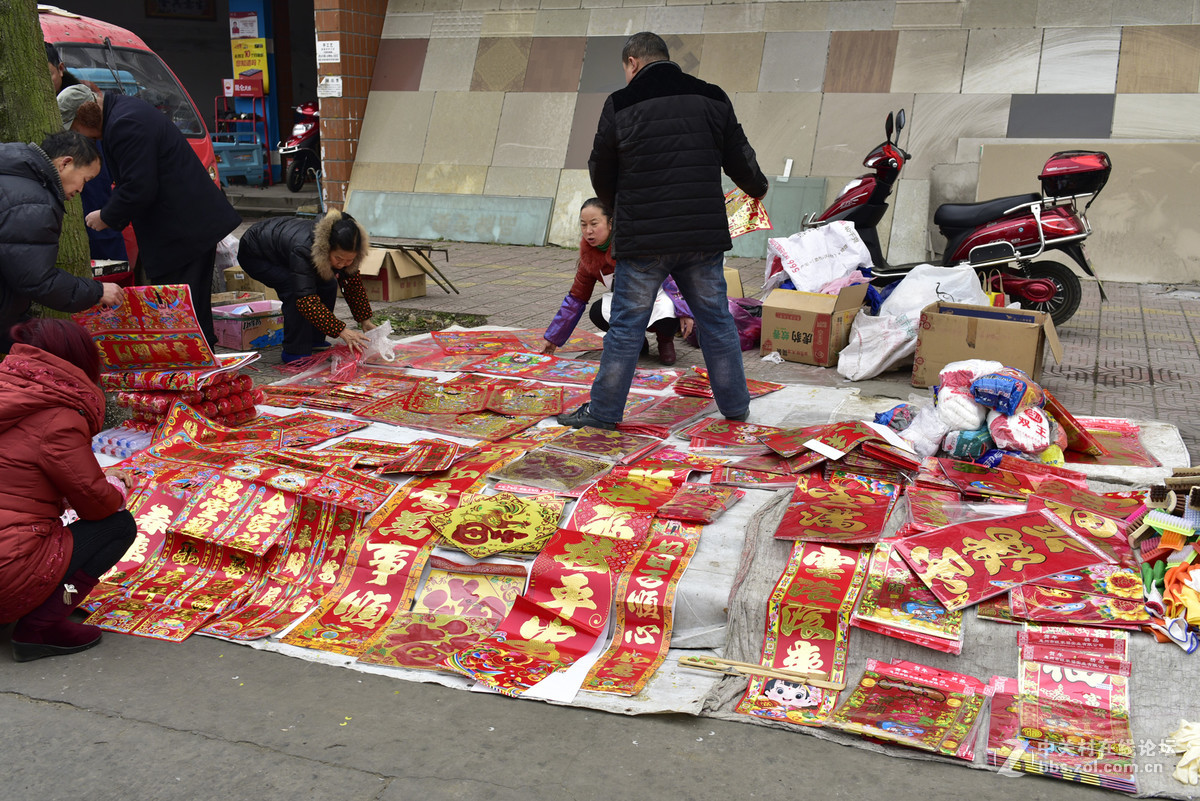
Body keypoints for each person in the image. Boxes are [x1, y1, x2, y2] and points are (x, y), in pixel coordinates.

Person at [558, 32, 769, 430]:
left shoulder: (621, 103)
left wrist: (619, 207)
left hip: (644, 238)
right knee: (716, 323)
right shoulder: (712, 96)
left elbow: (600, 166)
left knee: (625, 327)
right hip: (701, 236)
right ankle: (736, 408)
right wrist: (758, 188)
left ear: (633, 62)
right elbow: (740, 156)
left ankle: (604, 413)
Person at [58, 85, 241, 348]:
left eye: (76, 128)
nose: (80, 136)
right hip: (188, 225)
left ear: (85, 115)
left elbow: (138, 186)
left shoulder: (124, 123)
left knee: (178, 306)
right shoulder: (123, 112)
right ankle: (200, 360)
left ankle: (189, 362)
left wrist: (106, 216)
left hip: (182, 229)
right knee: (192, 304)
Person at [0, 318, 137, 662]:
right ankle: (42, 627)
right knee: (117, 527)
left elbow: (21, 475)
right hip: (6, 569)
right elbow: (96, 504)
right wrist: (117, 486)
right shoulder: (58, 416)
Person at [0, 130, 123, 352]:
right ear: (65, 163)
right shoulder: (34, 201)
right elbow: (37, 279)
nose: (81, 189)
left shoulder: (12, 173)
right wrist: (97, 291)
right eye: (85, 179)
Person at [543, 198, 693, 366]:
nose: (588, 231)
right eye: (583, 225)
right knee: (597, 311)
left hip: (654, 295)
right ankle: (637, 341)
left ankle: (665, 341)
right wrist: (553, 338)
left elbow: (671, 277)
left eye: (594, 224)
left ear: (610, 223)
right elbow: (576, 298)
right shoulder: (588, 257)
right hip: (624, 300)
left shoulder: (633, 242)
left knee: (670, 307)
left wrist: (685, 311)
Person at [235, 210, 377, 363]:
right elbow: (305, 300)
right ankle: (295, 351)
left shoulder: (347, 243)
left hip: (283, 249)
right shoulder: (304, 248)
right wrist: (341, 330)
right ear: (326, 248)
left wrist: (364, 320)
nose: (343, 264)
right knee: (294, 290)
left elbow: (351, 283)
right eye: (338, 258)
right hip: (256, 253)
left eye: (349, 260)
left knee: (328, 283)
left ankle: (315, 341)